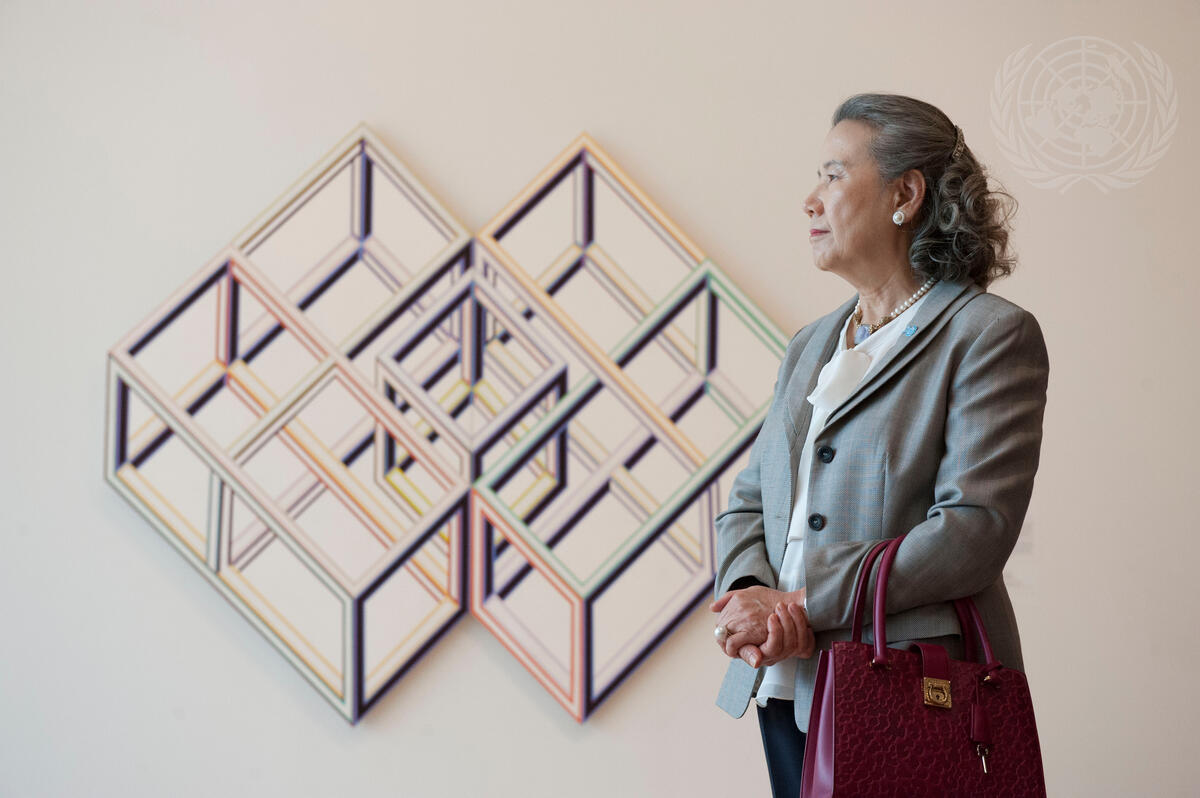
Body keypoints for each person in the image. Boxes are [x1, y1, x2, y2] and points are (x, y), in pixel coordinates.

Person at [708, 93, 1050, 798]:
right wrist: (750, 597)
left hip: (908, 689)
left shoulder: (988, 335)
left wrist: (804, 604)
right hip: (784, 681)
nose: (810, 199)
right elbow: (749, 500)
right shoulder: (811, 344)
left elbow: (973, 531)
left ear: (905, 194)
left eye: (834, 175)